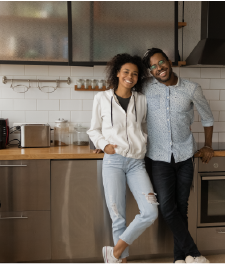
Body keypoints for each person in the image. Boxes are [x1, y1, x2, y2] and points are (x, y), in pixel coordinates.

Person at [142, 48, 214, 264]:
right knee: (166, 206)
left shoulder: (192, 89)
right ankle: (194, 253)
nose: (159, 68)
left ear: (168, 61)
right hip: (158, 158)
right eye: (153, 66)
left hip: (185, 156)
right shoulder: (145, 88)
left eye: (160, 62)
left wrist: (208, 145)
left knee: (182, 207)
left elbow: (207, 118)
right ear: (150, 71)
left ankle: (179, 259)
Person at [87, 53, 158, 264]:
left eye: (135, 74)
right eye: (126, 72)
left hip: (137, 163)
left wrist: (142, 142)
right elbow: (93, 130)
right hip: (114, 161)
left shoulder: (142, 100)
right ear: (117, 73)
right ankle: (120, 261)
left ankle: (115, 252)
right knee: (117, 214)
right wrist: (103, 145)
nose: (130, 76)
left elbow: (145, 127)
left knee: (151, 211)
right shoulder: (101, 98)